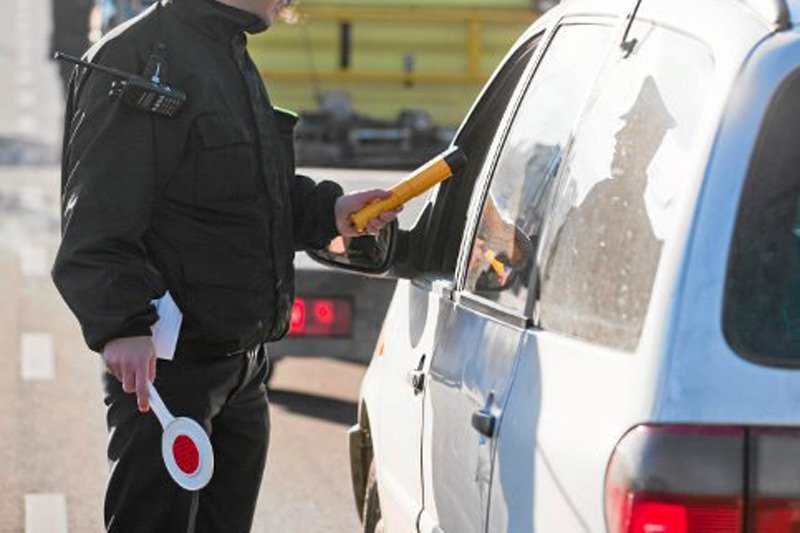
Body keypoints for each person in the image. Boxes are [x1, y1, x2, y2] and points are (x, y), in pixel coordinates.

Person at [51, 0, 398, 530]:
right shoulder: (137, 59)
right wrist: (121, 324)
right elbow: (95, 222)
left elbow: (248, 192)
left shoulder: (227, 52)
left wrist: (329, 211)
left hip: (242, 370)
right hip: (168, 375)